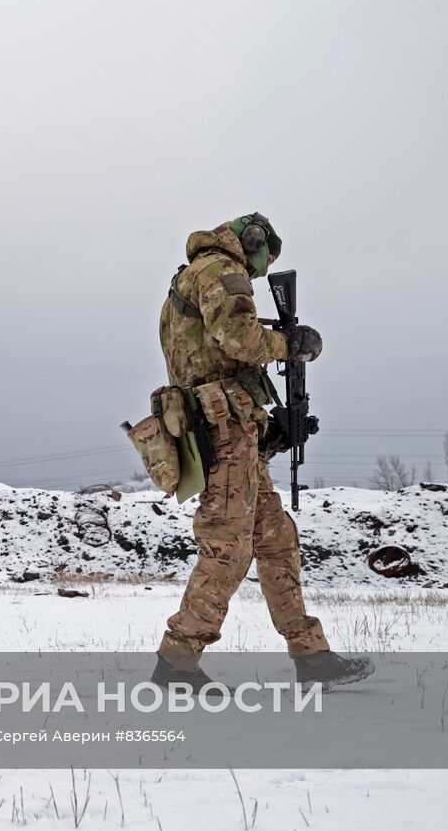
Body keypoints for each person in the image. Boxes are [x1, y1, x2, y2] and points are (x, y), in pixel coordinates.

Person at [152, 214, 372, 691]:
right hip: (224, 428)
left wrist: (272, 432)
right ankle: (176, 662)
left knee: (275, 541)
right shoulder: (219, 271)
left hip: (232, 428)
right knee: (228, 548)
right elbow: (239, 339)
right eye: (264, 259)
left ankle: (311, 656)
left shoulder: (190, 279)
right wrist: (291, 344)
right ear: (252, 244)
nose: (260, 271)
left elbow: (210, 362)